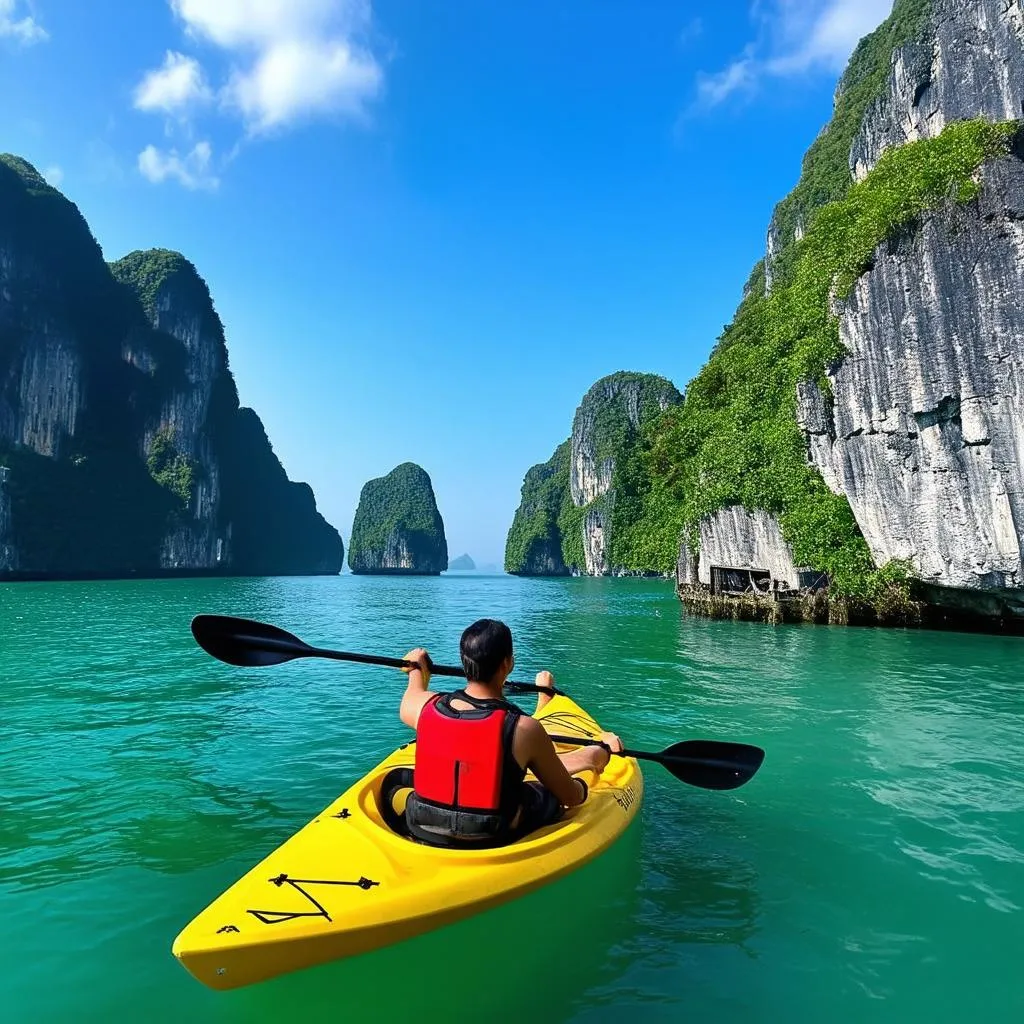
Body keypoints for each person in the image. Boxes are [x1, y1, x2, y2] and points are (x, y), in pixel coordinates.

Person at [393, 619, 622, 848]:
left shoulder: (426, 707)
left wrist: (416, 668)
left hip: (421, 823)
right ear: (507, 663)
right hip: (490, 833)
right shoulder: (524, 728)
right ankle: (590, 757)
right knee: (547, 793)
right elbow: (570, 797)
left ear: (464, 663)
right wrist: (591, 770)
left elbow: (412, 695)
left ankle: (579, 744)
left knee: (397, 778)